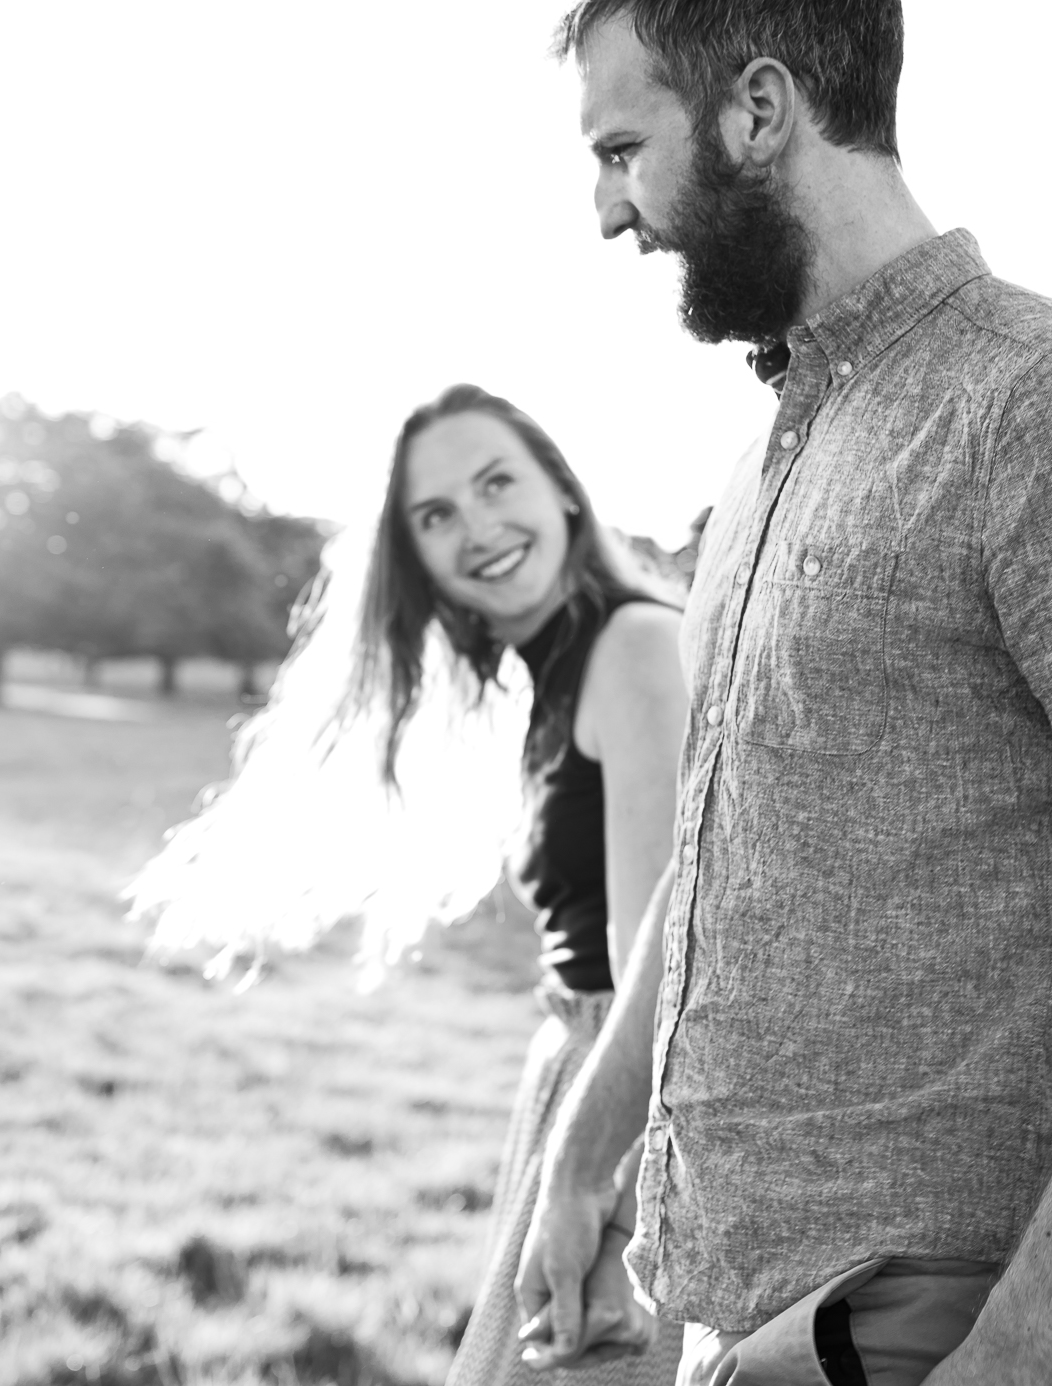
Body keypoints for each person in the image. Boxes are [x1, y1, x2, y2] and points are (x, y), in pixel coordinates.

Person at [513, 5, 1052, 1386]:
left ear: (758, 111)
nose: (607, 211)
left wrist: (1025, 1351)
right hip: (734, 1317)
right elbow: (715, 861)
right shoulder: (762, 462)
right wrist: (586, 1154)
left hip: (940, 1334)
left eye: (622, 150)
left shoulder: (1045, 404)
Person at [132, 384, 690, 1384]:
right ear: (416, 557)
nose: (477, 527)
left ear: (562, 489)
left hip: (626, 1110)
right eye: (436, 515)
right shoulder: (556, 665)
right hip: (580, 1085)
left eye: (496, 483)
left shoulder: (633, 646)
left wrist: (603, 1207)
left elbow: (660, 967)